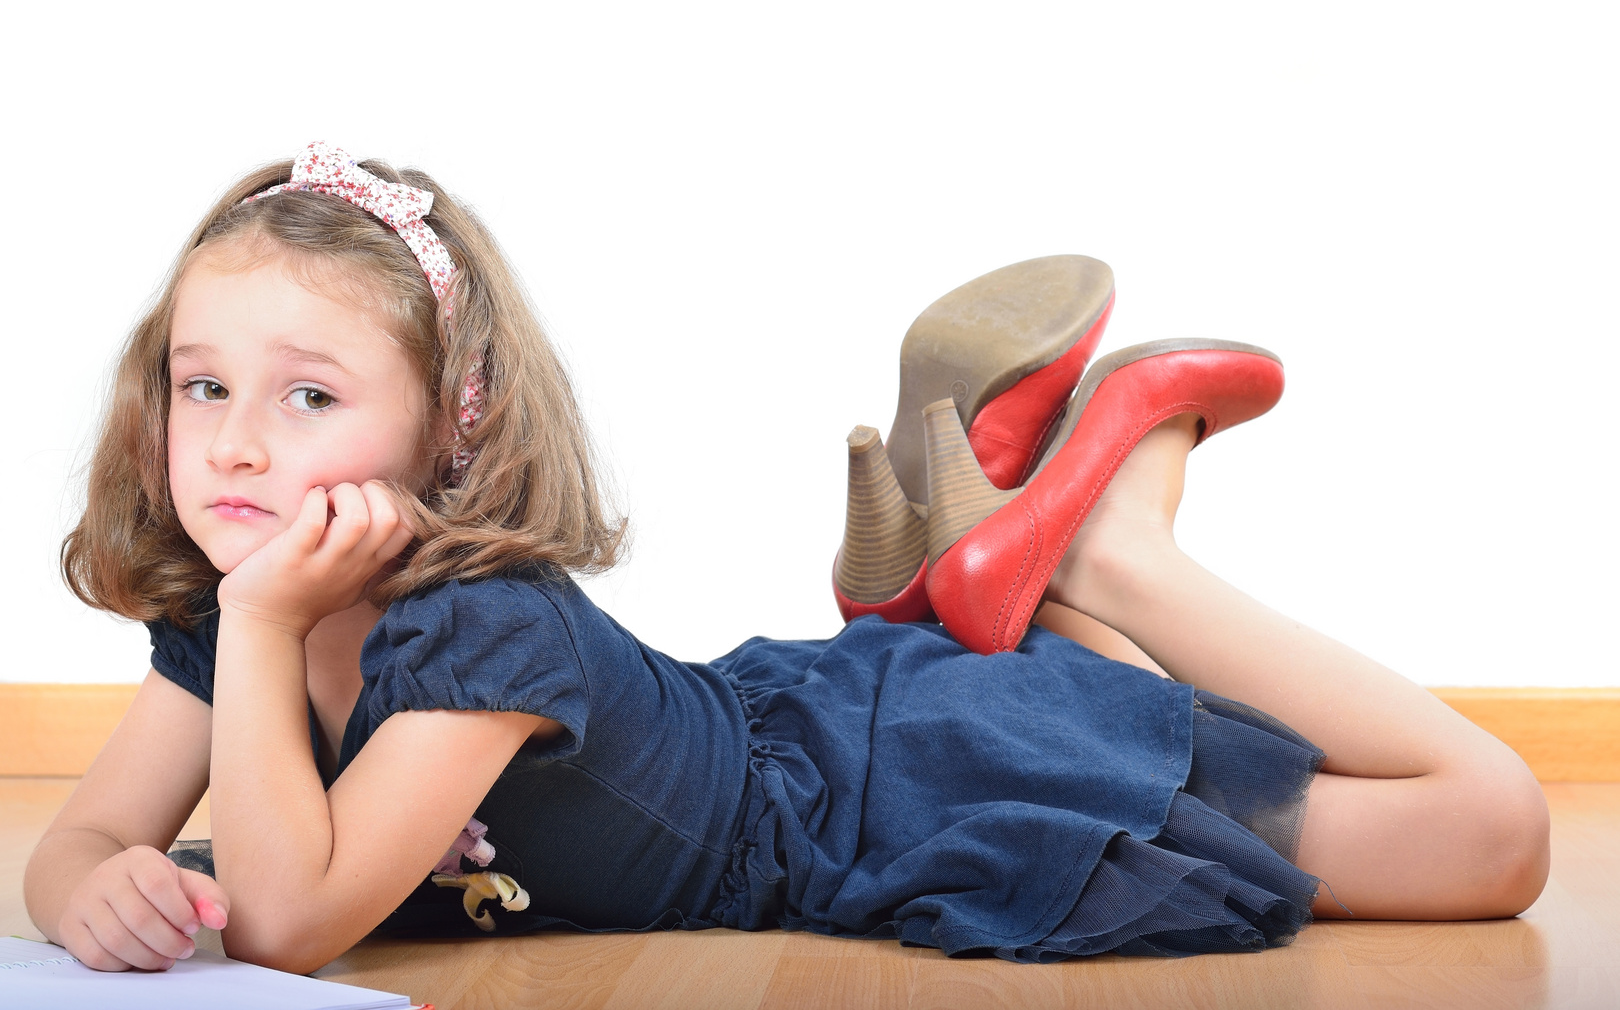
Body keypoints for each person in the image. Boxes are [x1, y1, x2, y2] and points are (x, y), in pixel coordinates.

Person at [23, 143, 1550, 976]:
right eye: (201, 383)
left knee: (1488, 837)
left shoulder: (478, 628)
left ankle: (1118, 556)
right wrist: (93, 890)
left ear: (449, 434)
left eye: (307, 397)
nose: (230, 442)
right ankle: (1004, 598)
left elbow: (292, 920)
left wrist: (272, 625)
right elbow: (74, 848)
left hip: (894, 788)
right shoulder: (236, 619)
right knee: (1163, 743)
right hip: (802, 725)